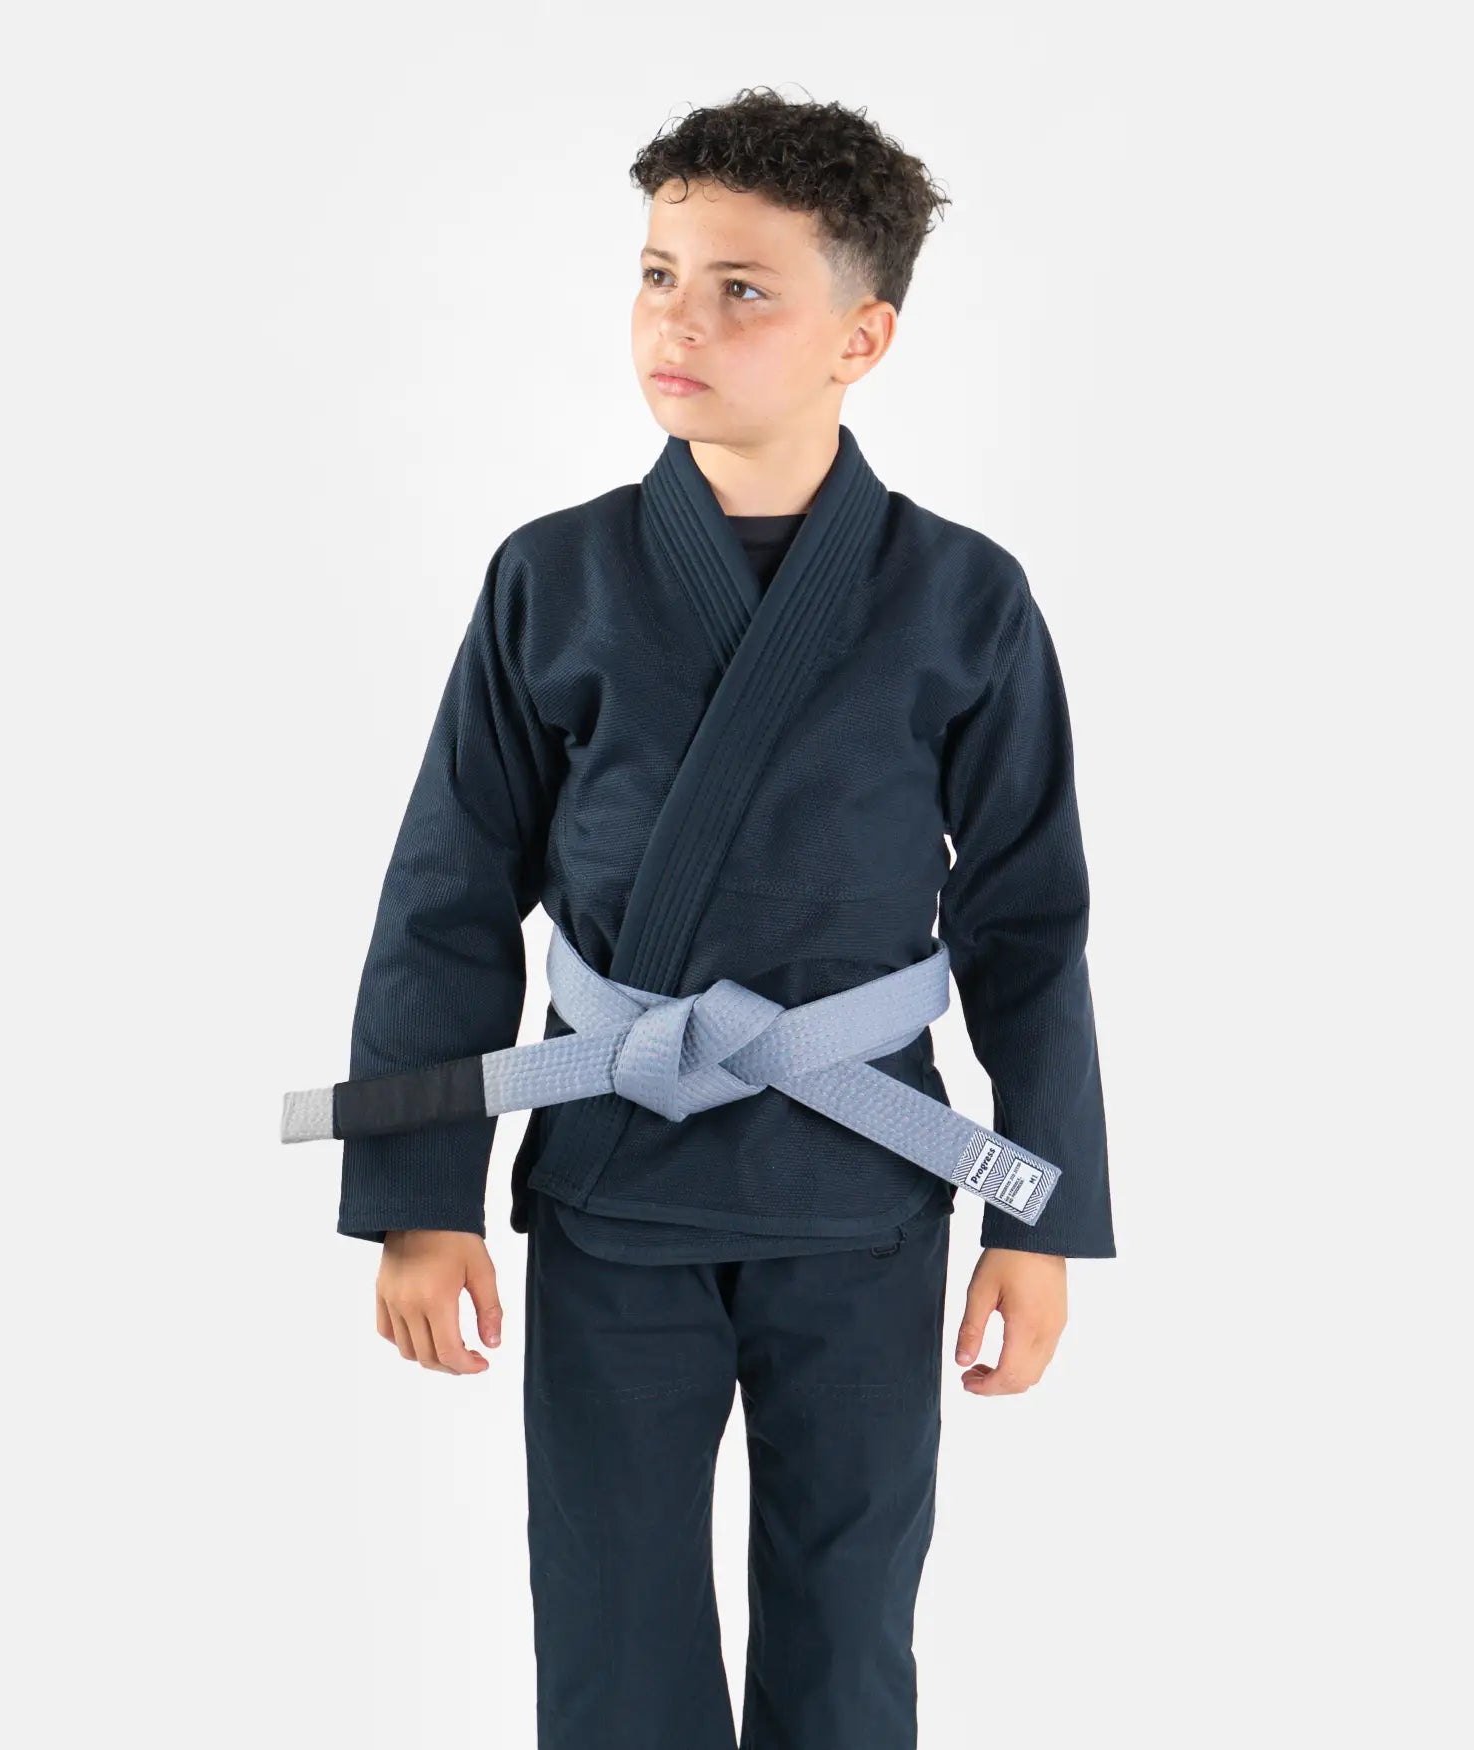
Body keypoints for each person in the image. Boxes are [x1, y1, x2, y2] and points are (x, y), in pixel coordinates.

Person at [327, 87, 1115, 1750]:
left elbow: (1030, 927)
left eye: (742, 288)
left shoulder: (964, 598)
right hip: (617, 1180)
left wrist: (1039, 1217)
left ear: (862, 337)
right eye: (658, 274)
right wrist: (418, 1193)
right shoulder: (551, 578)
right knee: (609, 1623)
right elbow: (448, 895)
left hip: (866, 1187)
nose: (678, 320)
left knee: (850, 1625)